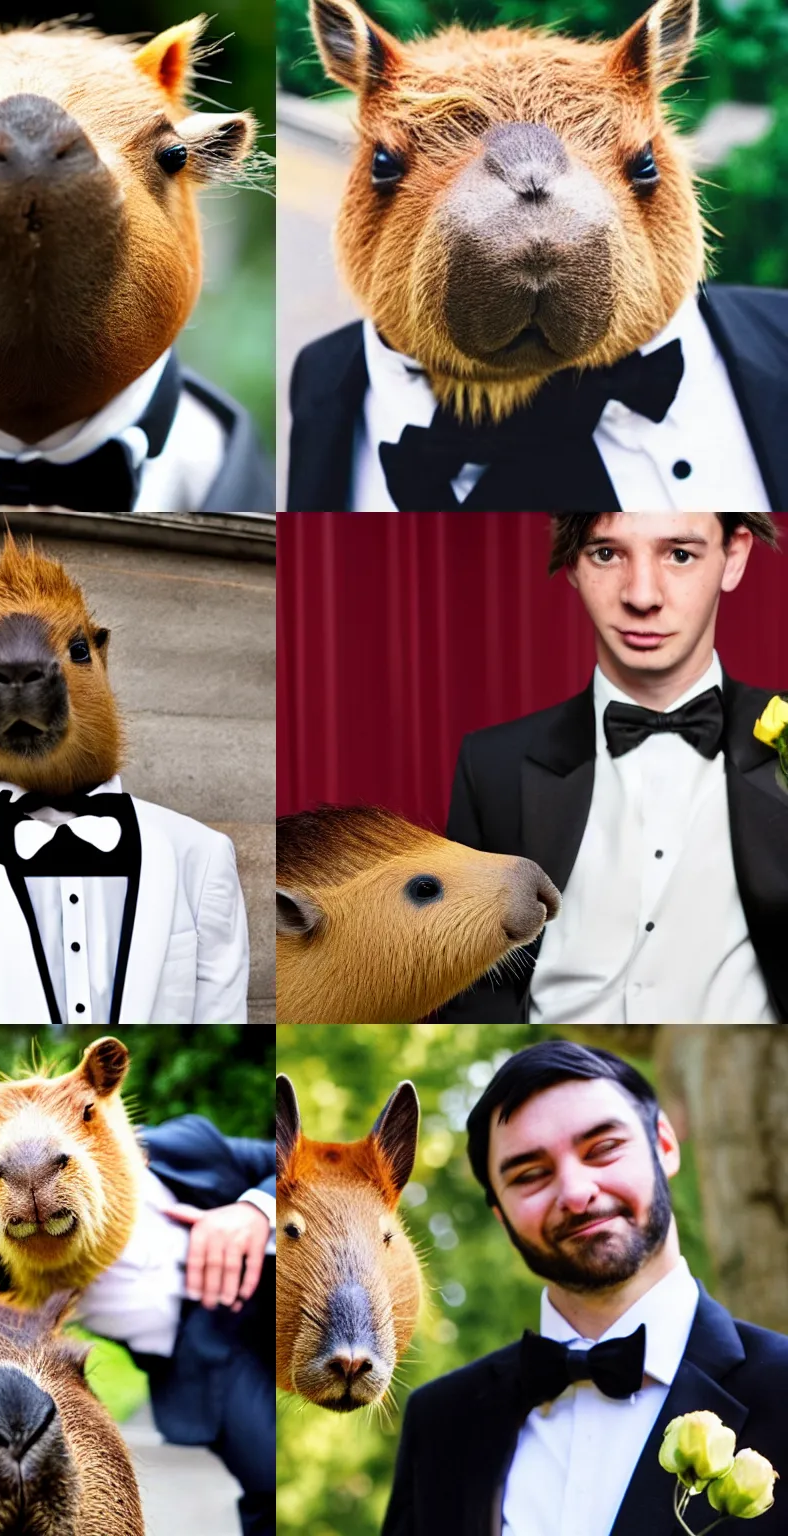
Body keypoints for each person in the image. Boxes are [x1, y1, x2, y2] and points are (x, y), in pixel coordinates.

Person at [383, 1040, 788, 1536]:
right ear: (500, 1214)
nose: (576, 1193)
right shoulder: (440, 1422)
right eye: (531, 1175)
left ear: (665, 1144)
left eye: (603, 1149)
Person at [439, 511, 785, 1023]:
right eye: (607, 554)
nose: (642, 596)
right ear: (573, 563)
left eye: (680, 554)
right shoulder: (492, 765)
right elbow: (464, 984)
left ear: (733, 557)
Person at [0, 1114, 275, 1536]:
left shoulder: (185, 1143)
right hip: (208, 1353)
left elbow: (291, 1160)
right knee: (270, 1476)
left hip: (295, 1286)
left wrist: (254, 1208)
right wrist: (28, 1248)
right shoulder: (12, 1212)